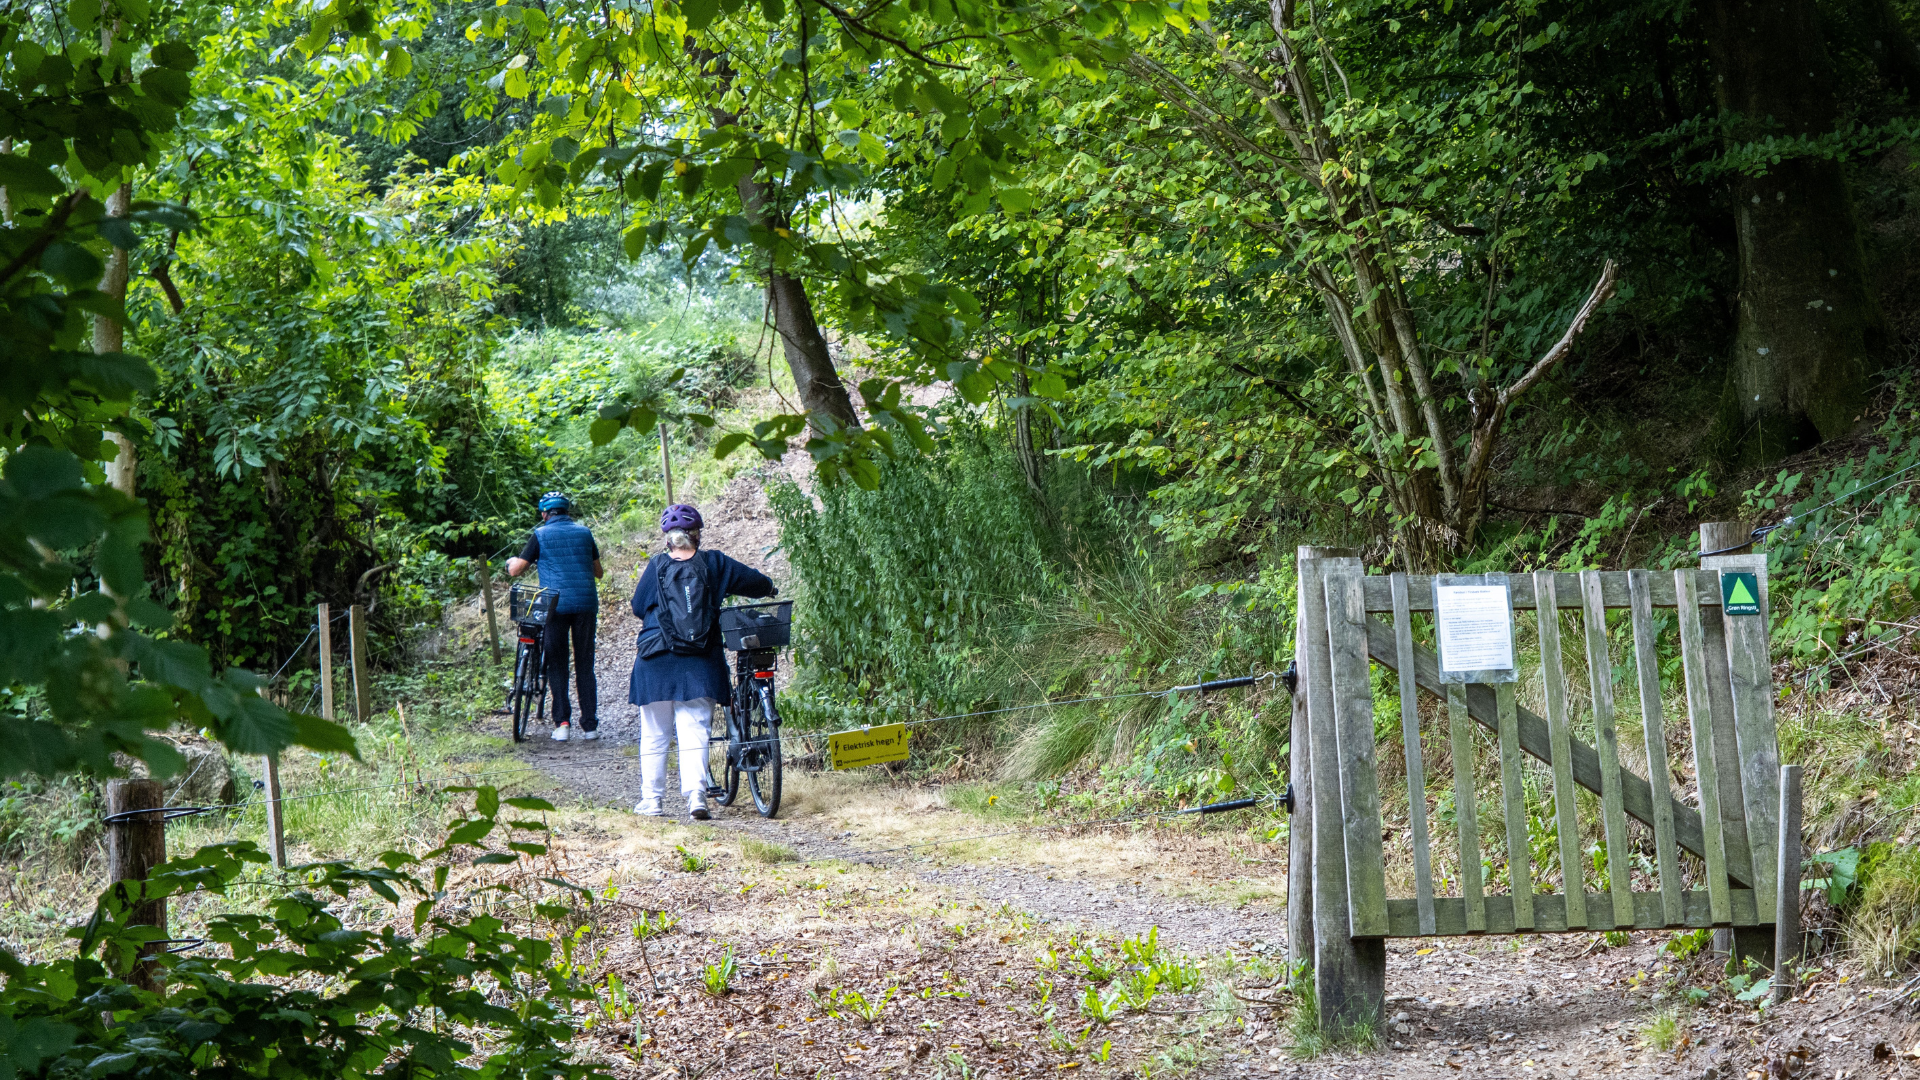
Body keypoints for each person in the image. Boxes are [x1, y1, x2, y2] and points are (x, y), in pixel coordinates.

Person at [628, 503, 775, 819]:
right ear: (697, 536)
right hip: (701, 662)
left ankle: (652, 802)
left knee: (655, 732)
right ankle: (696, 797)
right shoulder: (715, 564)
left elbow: (639, 606)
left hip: (655, 659)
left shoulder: (656, 566)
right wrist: (768, 587)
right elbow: (755, 582)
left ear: (668, 539)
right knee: (694, 727)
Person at [506, 491, 603, 741]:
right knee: (585, 664)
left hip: (555, 607)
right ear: (567, 511)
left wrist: (510, 562)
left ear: (544, 514)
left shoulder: (540, 535)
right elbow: (598, 572)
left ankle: (562, 723)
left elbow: (517, 570)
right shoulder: (584, 533)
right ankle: (590, 726)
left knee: (558, 663)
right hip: (585, 605)